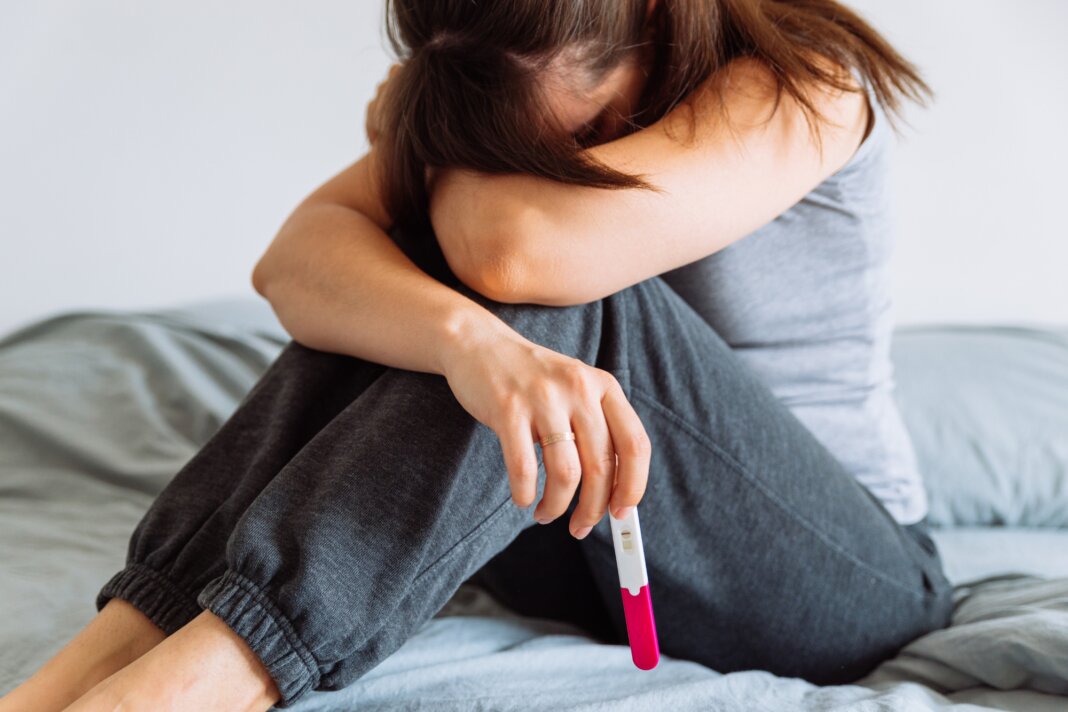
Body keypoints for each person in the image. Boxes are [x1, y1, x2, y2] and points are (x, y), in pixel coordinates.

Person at [0, 0, 955, 710]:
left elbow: (516, 255)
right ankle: (125, 637)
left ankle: (219, 675)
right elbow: (292, 265)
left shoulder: (803, 81)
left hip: (832, 581)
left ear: (651, 18)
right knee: (407, 297)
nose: (549, 160)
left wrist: (424, 160)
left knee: (551, 293)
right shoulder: (486, 70)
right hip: (578, 538)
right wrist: (463, 342)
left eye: (580, 137)